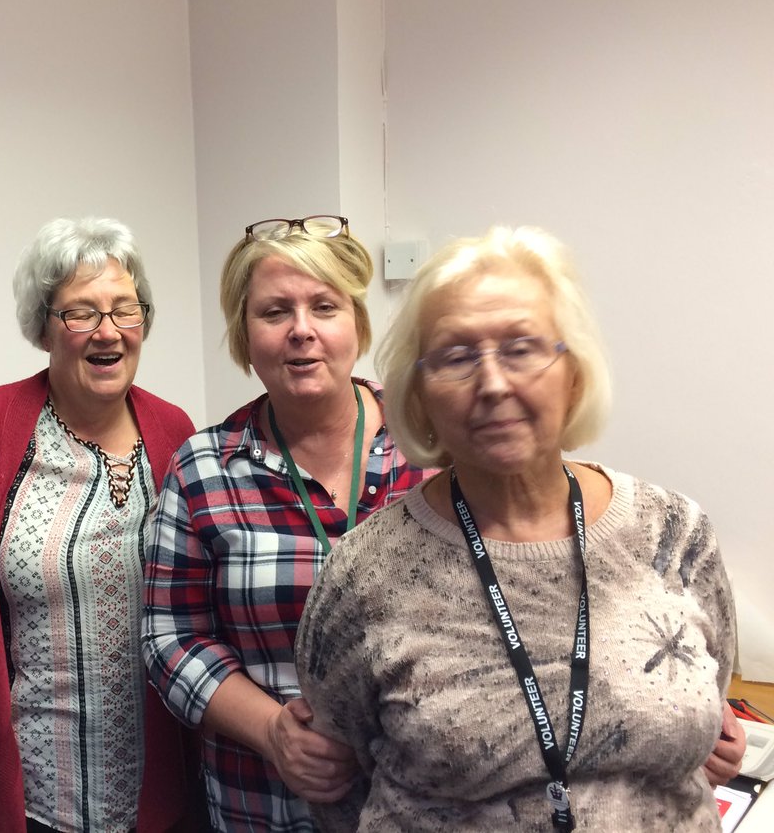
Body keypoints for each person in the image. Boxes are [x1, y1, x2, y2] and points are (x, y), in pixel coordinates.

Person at [296, 226, 743, 832]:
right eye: (456, 357)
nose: (494, 383)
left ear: (573, 372)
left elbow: (706, 718)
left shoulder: (674, 534)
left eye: (522, 348)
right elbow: (335, 780)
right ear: (420, 396)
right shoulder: (364, 573)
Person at [0, 217, 201, 833]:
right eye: (80, 312)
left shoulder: (176, 432)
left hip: (159, 794)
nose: (107, 331)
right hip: (32, 799)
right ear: (44, 326)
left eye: (125, 309)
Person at [142, 215, 431, 832]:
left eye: (324, 306)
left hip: (427, 800)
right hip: (264, 806)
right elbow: (171, 637)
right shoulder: (203, 469)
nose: (302, 329)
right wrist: (273, 731)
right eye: (275, 312)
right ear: (244, 336)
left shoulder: (431, 444)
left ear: (357, 323)